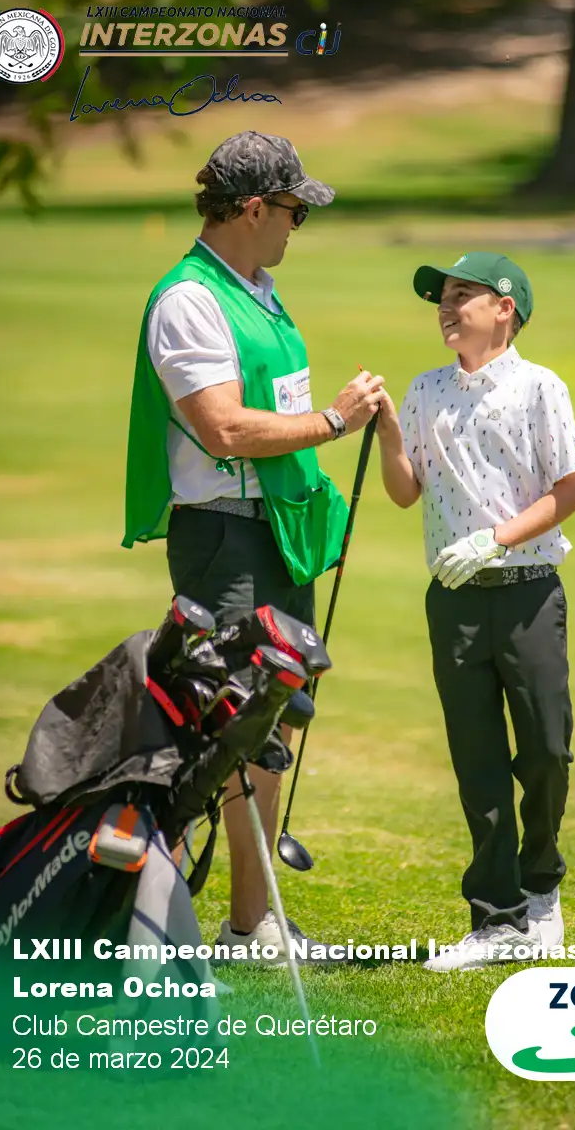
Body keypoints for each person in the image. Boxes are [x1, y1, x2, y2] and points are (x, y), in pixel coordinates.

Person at [123, 130, 384, 962]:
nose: (298, 226)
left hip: (274, 532)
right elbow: (225, 429)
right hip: (226, 536)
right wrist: (335, 421)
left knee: (272, 721)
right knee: (224, 731)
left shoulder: (256, 290)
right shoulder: (190, 299)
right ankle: (159, 923)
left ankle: (250, 922)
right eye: (295, 211)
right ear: (253, 208)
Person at [375, 251, 575, 972]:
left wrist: (495, 539)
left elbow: (571, 487)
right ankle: (496, 918)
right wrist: (389, 432)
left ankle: (541, 885)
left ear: (504, 308)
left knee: (547, 750)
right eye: (441, 297)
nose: (445, 307)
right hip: (456, 600)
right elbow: (405, 492)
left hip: (528, 590)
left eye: (461, 294)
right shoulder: (426, 389)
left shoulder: (540, 387)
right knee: (477, 760)